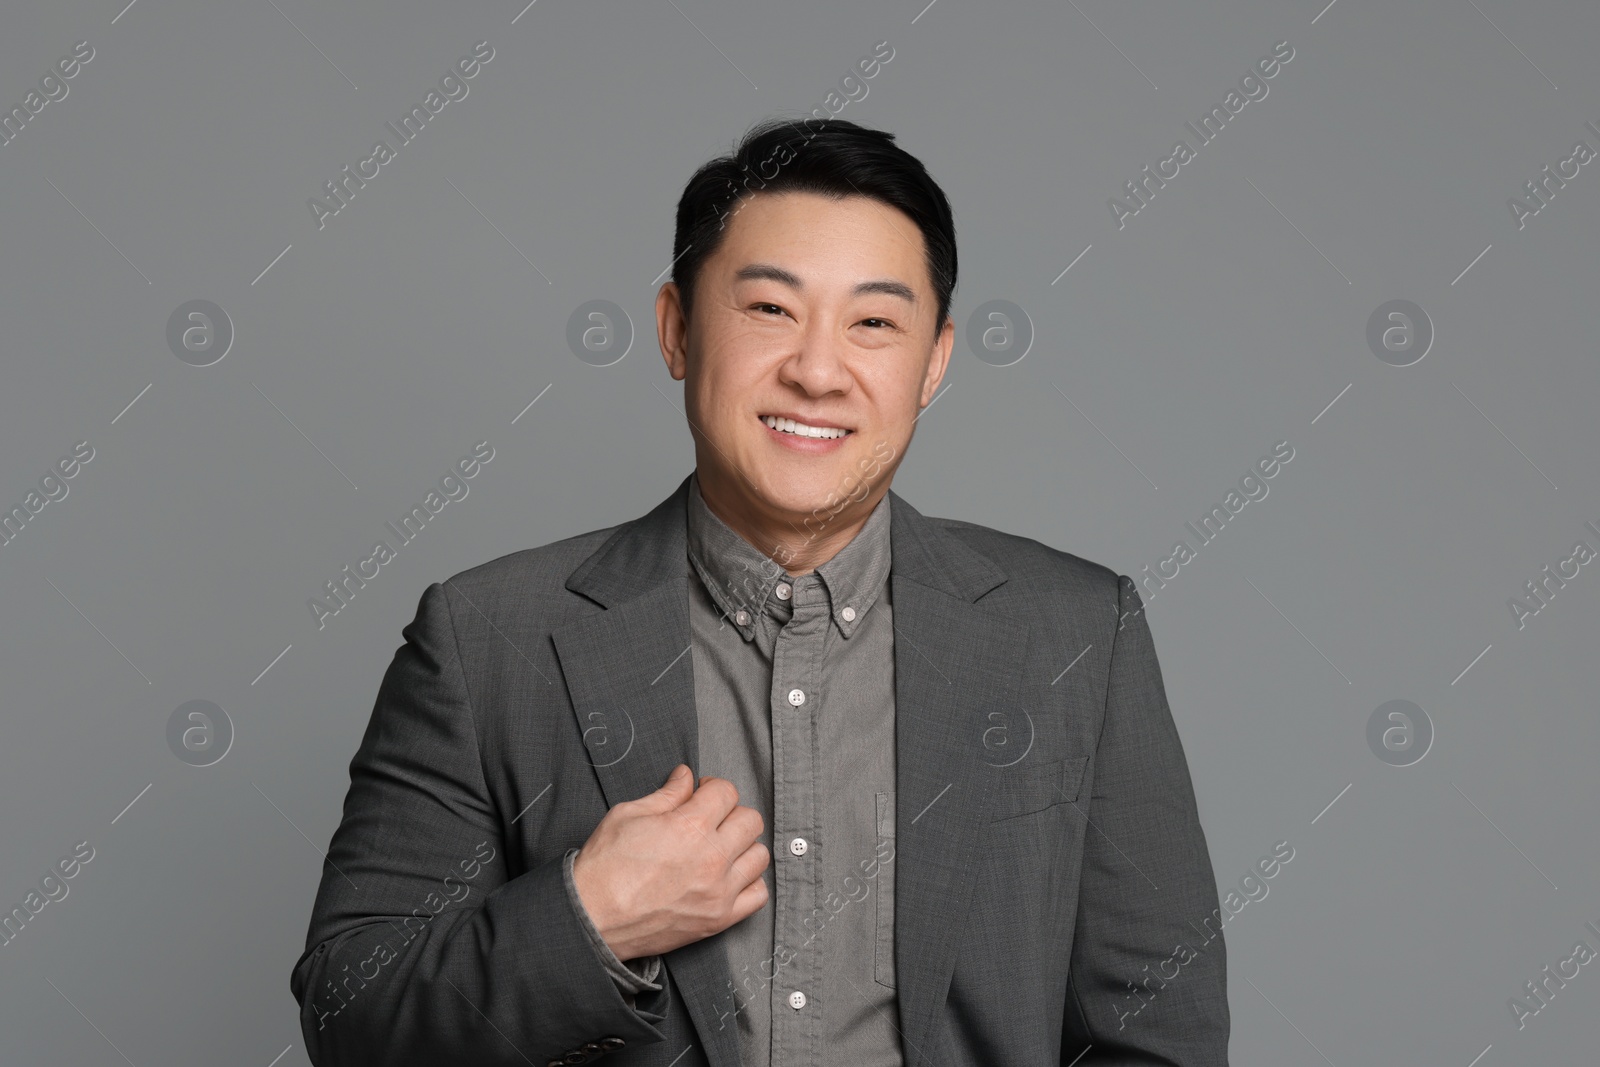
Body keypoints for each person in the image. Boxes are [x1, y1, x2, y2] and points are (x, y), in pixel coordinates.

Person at [292, 116, 1230, 1066]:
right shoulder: (486, 637)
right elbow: (348, 1016)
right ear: (677, 330)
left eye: (873, 323)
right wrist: (591, 918)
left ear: (934, 363)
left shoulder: (1073, 634)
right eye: (770, 310)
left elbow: (1159, 1037)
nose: (817, 371)